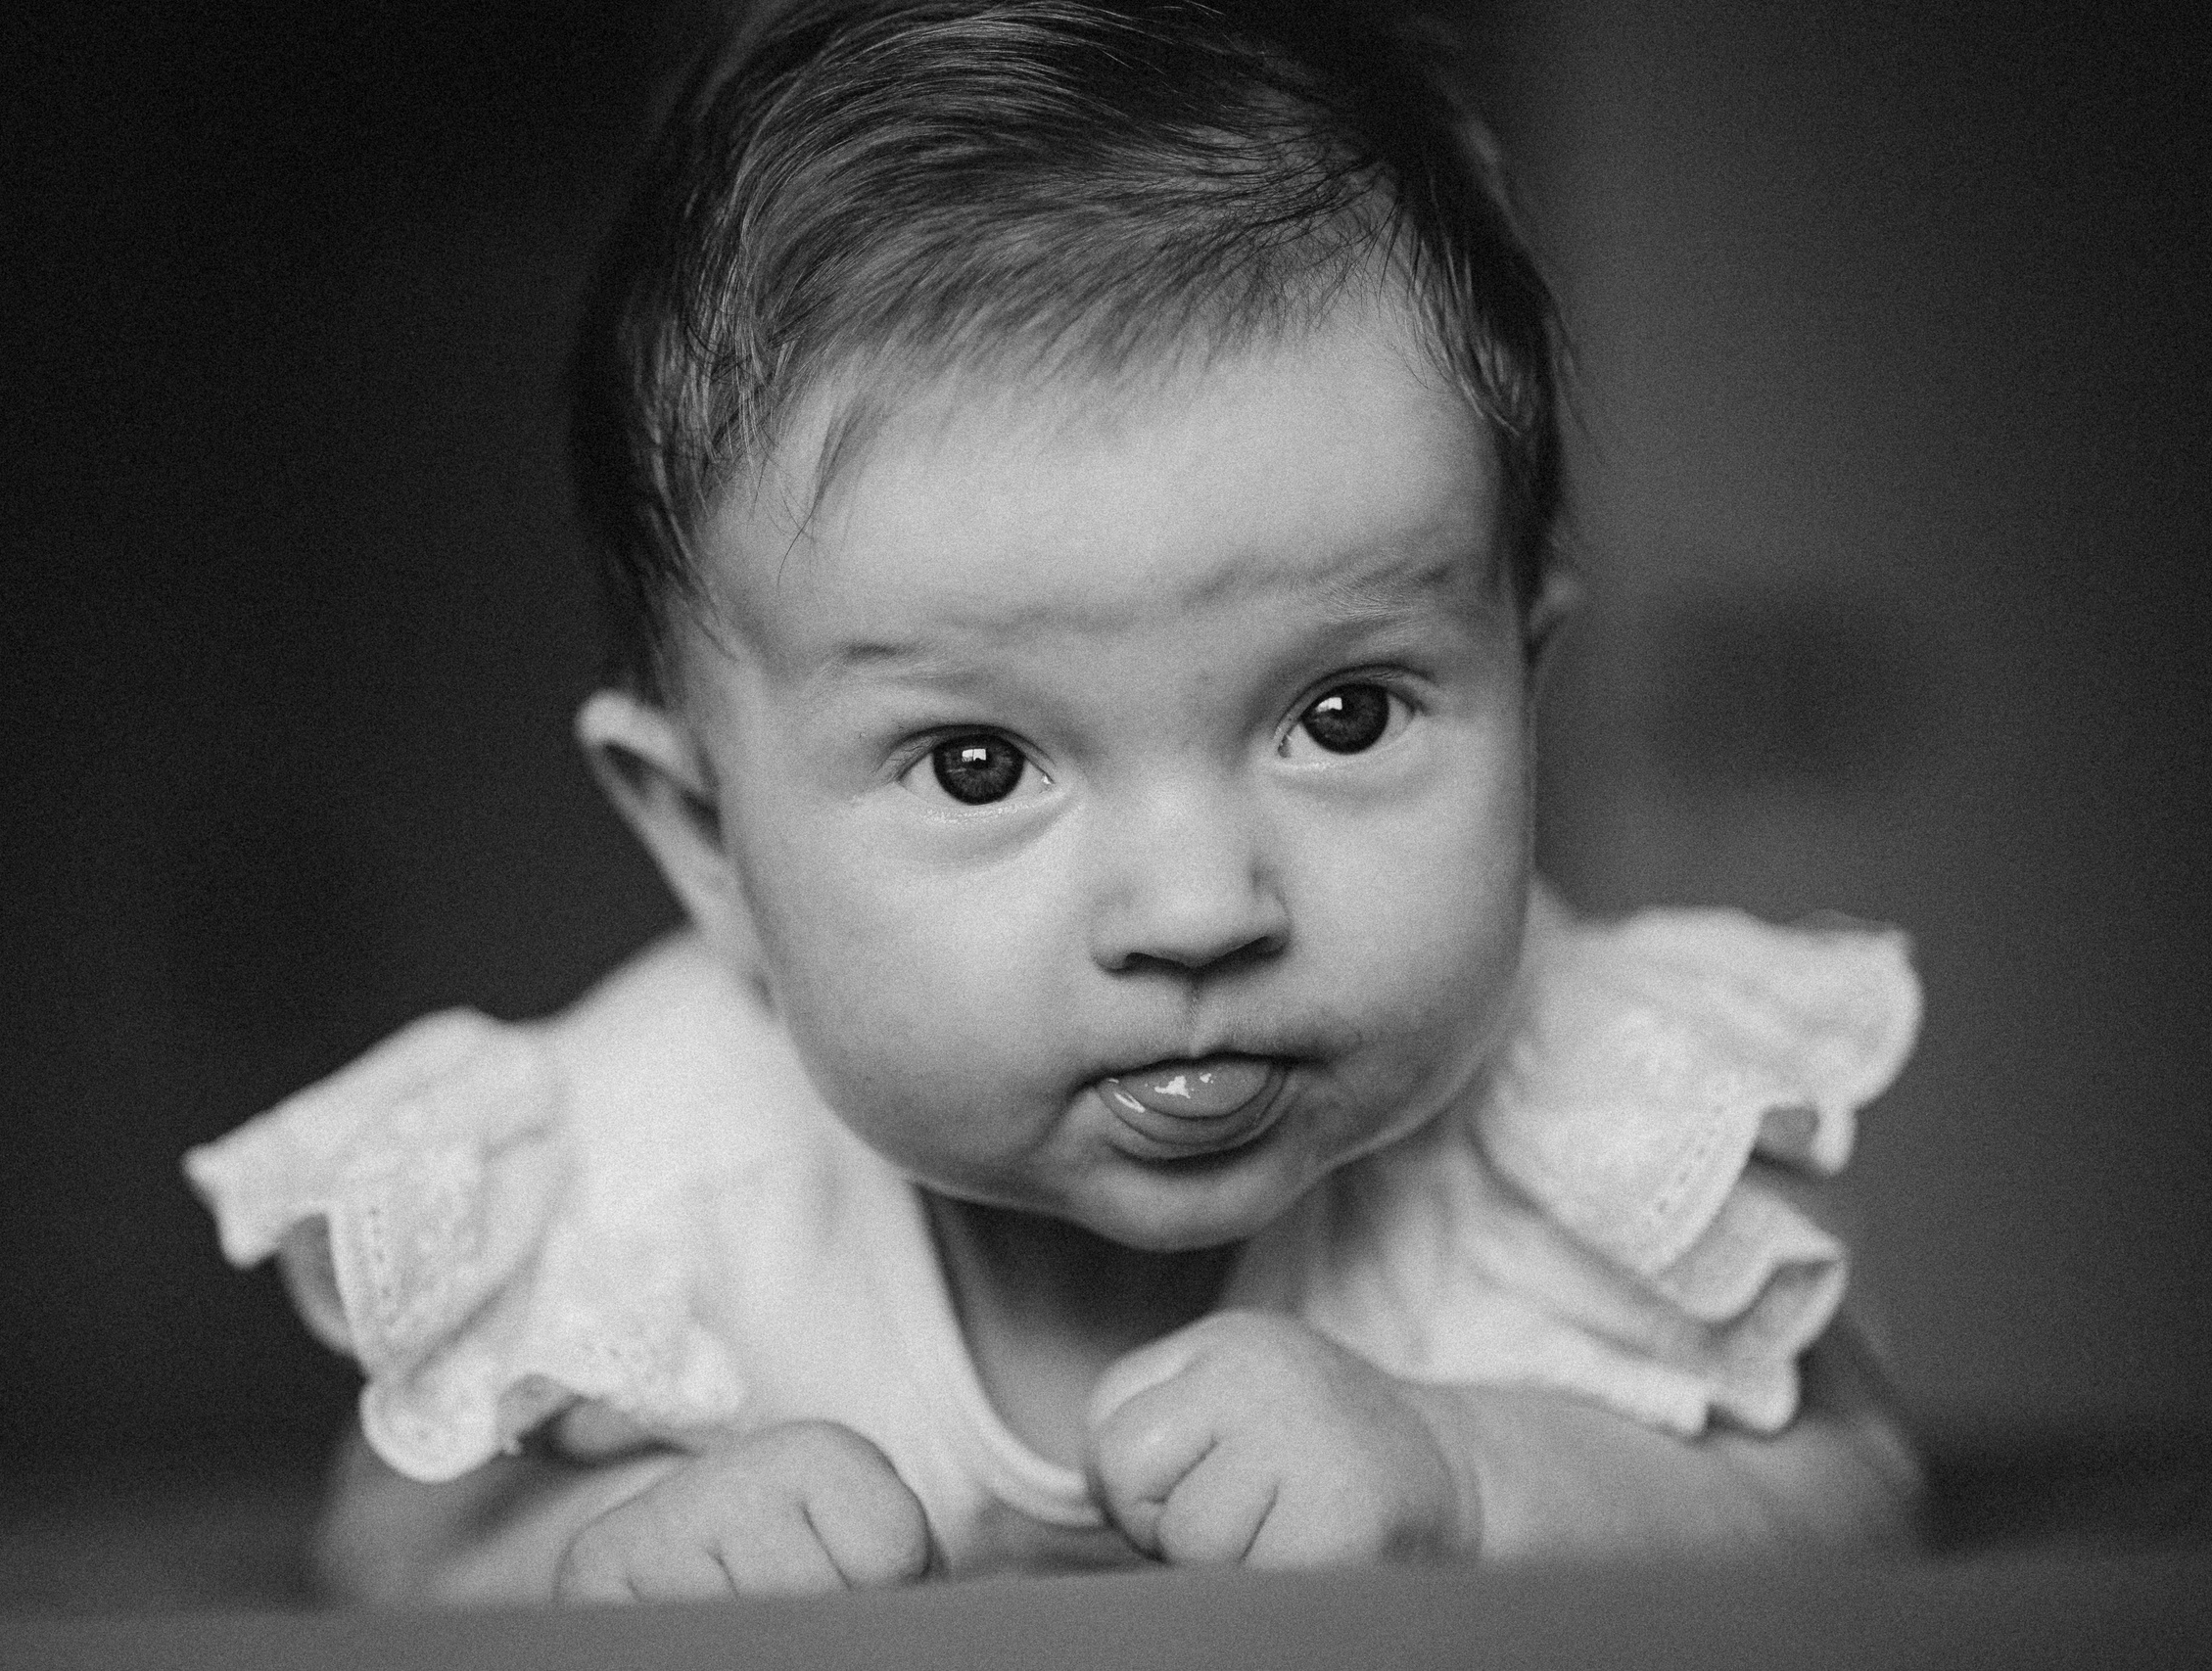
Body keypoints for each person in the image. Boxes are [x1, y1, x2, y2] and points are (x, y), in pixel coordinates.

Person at [185, 0, 1925, 1604]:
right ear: (705, 836)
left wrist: (1471, 1477)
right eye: (978, 765)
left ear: (1525, 692)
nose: (1198, 910)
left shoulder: (1560, 1135)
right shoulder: (648, 1178)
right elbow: (393, 1540)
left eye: (1341, 713)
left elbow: (1852, 1492)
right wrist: (610, 1553)